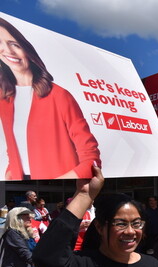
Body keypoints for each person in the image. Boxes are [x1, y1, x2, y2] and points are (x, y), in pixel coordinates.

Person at [0, 17, 101, 180]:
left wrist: (58, 184)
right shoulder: (5, 101)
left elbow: (90, 156)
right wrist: (9, 174)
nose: (8, 51)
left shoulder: (59, 96)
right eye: (0, 44)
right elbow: (14, 152)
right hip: (20, 183)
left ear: (26, 49)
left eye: (14, 44)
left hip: (58, 185)